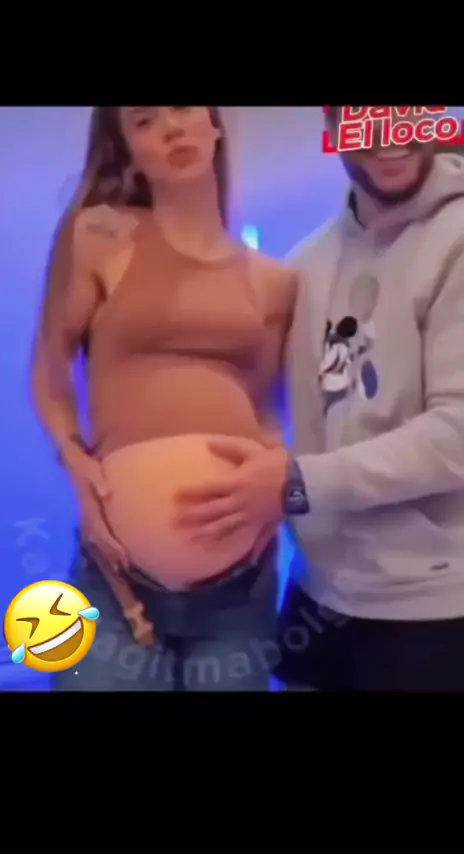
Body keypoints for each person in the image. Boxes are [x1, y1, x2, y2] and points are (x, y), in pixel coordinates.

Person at [176, 107, 464, 692]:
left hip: (437, 607)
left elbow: (456, 435)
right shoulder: (304, 266)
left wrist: (294, 484)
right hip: (319, 596)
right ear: (334, 129)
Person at [31, 106, 297, 692]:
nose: (171, 128)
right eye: (144, 121)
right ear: (128, 150)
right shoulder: (99, 236)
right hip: (117, 577)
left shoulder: (275, 281)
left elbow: (266, 411)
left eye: (181, 108)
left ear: (214, 122)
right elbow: (49, 370)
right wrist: (74, 459)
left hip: (241, 582)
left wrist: (277, 487)